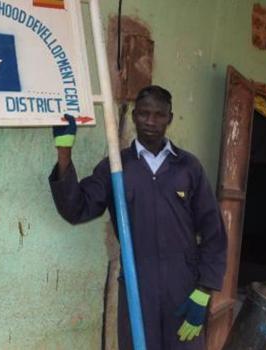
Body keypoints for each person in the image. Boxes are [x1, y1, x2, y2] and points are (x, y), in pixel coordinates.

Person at [49, 85, 227, 349]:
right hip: (136, 285)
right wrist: (64, 154)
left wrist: (203, 291)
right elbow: (77, 209)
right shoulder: (117, 165)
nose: (151, 122)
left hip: (184, 288)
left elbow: (214, 232)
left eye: (159, 114)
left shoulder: (188, 167)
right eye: (144, 114)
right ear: (133, 116)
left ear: (170, 117)